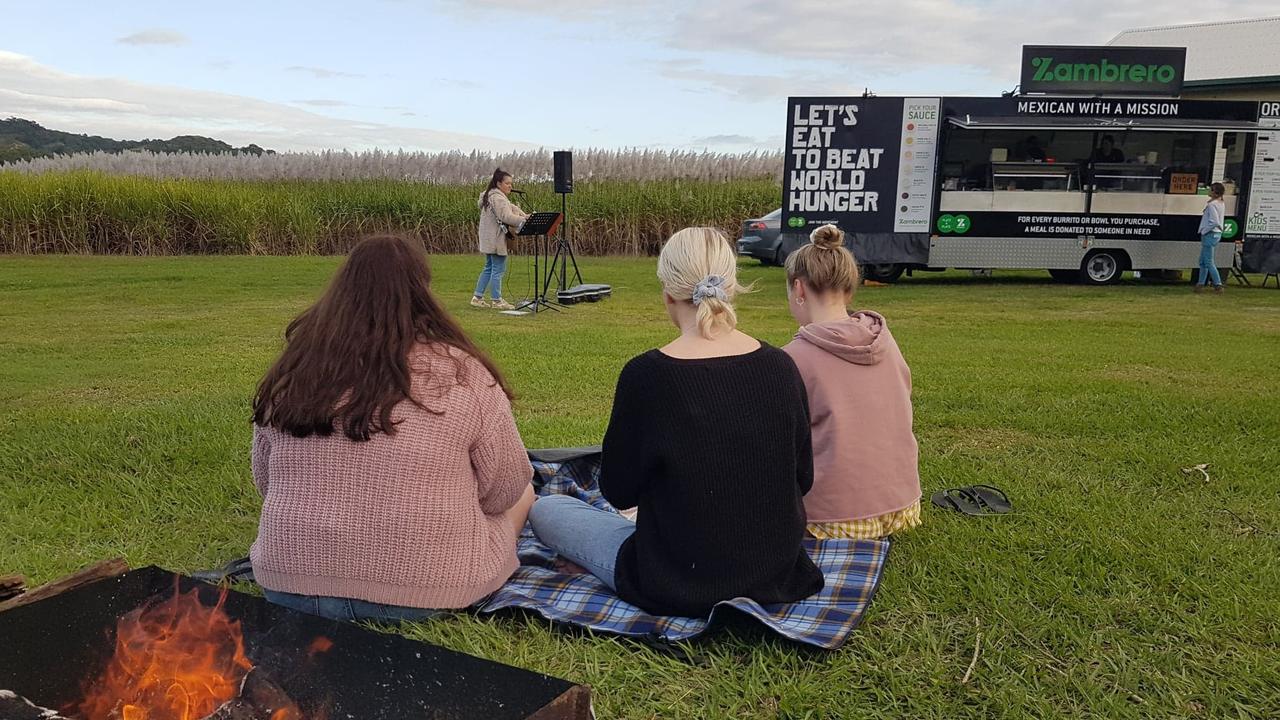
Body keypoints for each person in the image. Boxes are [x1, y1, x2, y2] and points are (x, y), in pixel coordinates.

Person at [527, 227, 824, 617]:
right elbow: (802, 478)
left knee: (546, 511)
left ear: (668, 293)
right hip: (776, 571)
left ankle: (599, 564)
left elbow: (618, 491)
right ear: (731, 287)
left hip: (673, 577)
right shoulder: (780, 367)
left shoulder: (647, 375)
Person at [250, 235, 535, 623]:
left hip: (287, 585)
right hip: (430, 592)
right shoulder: (464, 374)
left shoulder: (296, 371)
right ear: (424, 291)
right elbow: (503, 490)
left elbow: (266, 481)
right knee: (526, 493)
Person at [782, 225, 921, 540]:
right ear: (849, 288)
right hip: (903, 506)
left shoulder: (793, 358)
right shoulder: (885, 340)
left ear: (799, 289)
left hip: (831, 519)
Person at [474, 168, 528, 310]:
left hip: (488, 238)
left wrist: (523, 215)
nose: (511, 186)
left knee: (489, 268)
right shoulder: (498, 198)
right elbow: (507, 217)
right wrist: (524, 220)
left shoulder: (490, 196)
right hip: (496, 239)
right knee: (498, 269)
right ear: (498, 184)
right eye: (507, 183)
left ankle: (477, 297)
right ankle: (497, 300)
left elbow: (511, 208)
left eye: (511, 183)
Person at [1196, 182, 1227, 294]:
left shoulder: (1212, 205)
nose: (1209, 191)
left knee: (1208, 261)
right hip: (1216, 234)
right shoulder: (1220, 203)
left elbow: (1214, 221)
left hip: (1210, 234)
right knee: (1203, 260)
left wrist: (1204, 230)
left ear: (1214, 192)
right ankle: (1200, 283)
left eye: (1211, 190)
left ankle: (1218, 284)